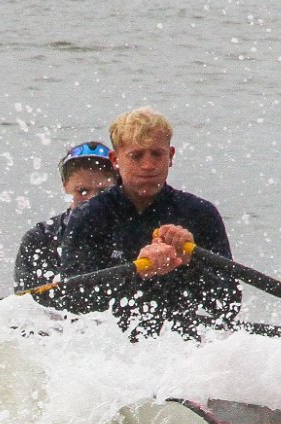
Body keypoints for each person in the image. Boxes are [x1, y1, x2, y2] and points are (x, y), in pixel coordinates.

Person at [55, 107, 240, 337]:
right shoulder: (89, 215)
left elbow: (228, 306)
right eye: (137, 156)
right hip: (110, 345)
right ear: (116, 160)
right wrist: (138, 272)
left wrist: (191, 262)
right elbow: (73, 301)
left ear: (170, 156)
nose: (148, 165)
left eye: (157, 154)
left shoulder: (200, 213)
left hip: (182, 345)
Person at [13, 140, 118, 294]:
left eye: (102, 192)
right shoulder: (38, 239)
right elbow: (23, 308)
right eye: (82, 191)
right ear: (65, 185)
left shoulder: (132, 232)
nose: (93, 201)